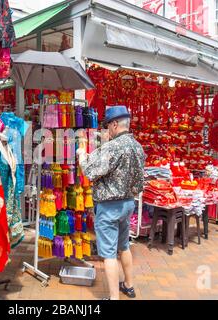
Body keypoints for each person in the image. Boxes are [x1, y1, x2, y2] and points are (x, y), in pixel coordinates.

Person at [77, 106, 146, 300]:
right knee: (124, 246)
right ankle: (129, 286)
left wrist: (82, 155)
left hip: (109, 207)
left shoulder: (112, 147)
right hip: (128, 204)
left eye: (108, 127)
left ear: (115, 124)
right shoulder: (137, 146)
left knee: (108, 254)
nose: (107, 131)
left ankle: (114, 297)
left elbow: (90, 172)